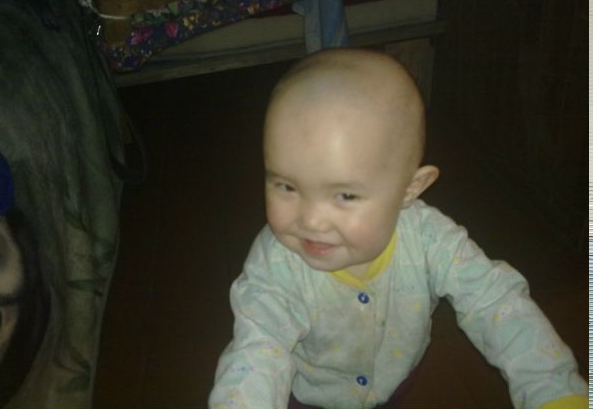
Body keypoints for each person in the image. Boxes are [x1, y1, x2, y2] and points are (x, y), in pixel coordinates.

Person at [208, 49, 587, 409]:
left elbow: (495, 303)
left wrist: (552, 389)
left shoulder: (430, 240)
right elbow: (256, 352)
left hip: (392, 383)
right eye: (287, 186)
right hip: (304, 397)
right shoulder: (275, 264)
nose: (310, 221)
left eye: (345, 195)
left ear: (410, 189)